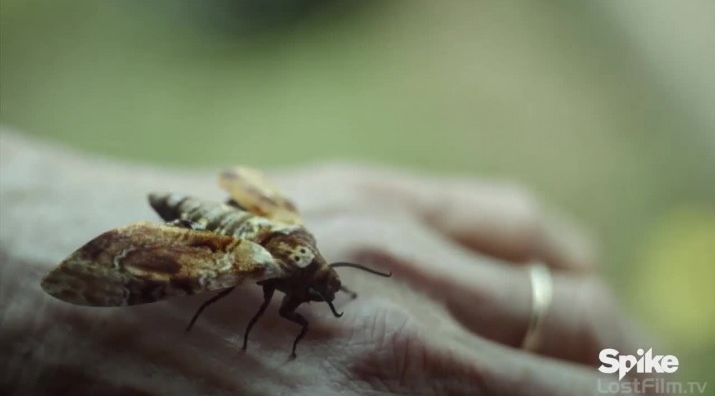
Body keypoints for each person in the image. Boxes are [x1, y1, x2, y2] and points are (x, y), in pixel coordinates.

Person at [0, 131, 660, 395]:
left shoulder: (300, 249)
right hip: (203, 226)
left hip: (236, 219)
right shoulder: (256, 270)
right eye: (319, 287)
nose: (321, 294)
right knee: (203, 283)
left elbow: (305, 280)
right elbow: (249, 302)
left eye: (322, 286)